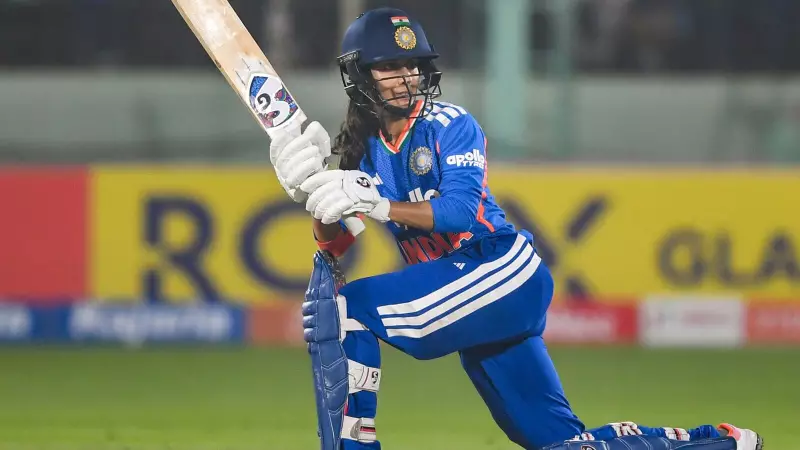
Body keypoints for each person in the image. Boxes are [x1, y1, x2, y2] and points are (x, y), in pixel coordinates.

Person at [268, 7, 764, 450]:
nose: (406, 77)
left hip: (498, 270)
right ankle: (722, 443)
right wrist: (313, 193)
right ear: (360, 75)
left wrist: (378, 203)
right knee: (562, 444)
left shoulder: (449, 123)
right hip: (467, 289)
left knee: (350, 307)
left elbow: (460, 211)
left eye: (412, 65)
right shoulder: (363, 149)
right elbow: (335, 243)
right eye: (390, 67)